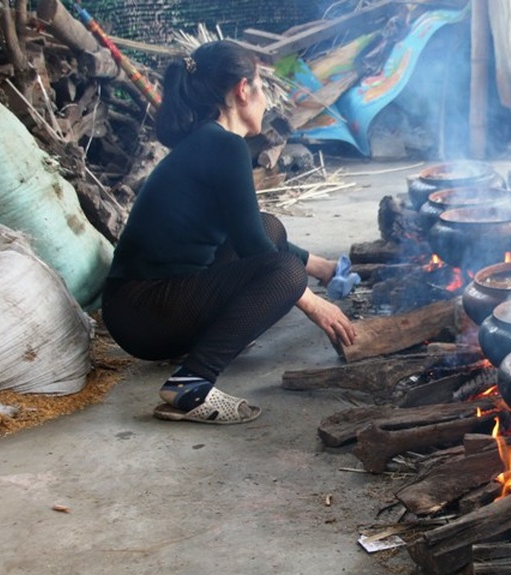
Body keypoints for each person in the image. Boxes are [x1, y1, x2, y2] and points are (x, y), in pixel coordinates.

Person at [101, 40, 356, 425]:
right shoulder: (224, 147)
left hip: (145, 306)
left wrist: (320, 267)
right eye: (261, 88)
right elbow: (257, 253)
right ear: (242, 90)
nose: (266, 102)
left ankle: (206, 345)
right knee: (284, 271)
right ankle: (192, 382)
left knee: (271, 228)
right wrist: (315, 303)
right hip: (144, 312)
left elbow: (252, 232)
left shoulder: (210, 140)